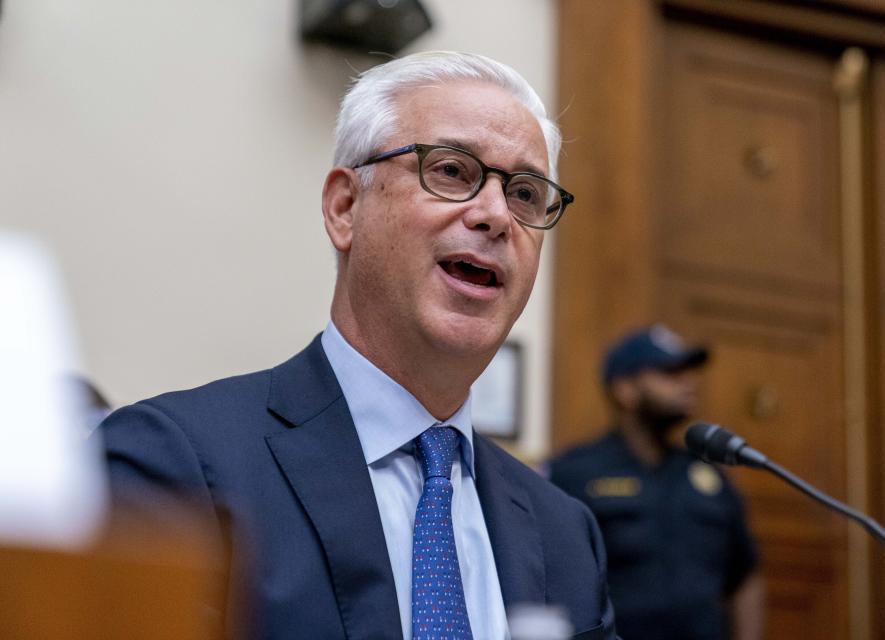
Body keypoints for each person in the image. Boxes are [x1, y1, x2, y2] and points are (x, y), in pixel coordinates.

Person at [99, 51, 615, 640]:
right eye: (450, 171)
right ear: (345, 208)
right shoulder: (172, 466)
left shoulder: (566, 534)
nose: (496, 215)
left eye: (525, 193)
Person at [550, 325, 763, 640]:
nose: (689, 383)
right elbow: (553, 580)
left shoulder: (709, 476)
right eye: (670, 373)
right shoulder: (575, 472)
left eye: (689, 372)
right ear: (625, 389)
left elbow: (744, 575)